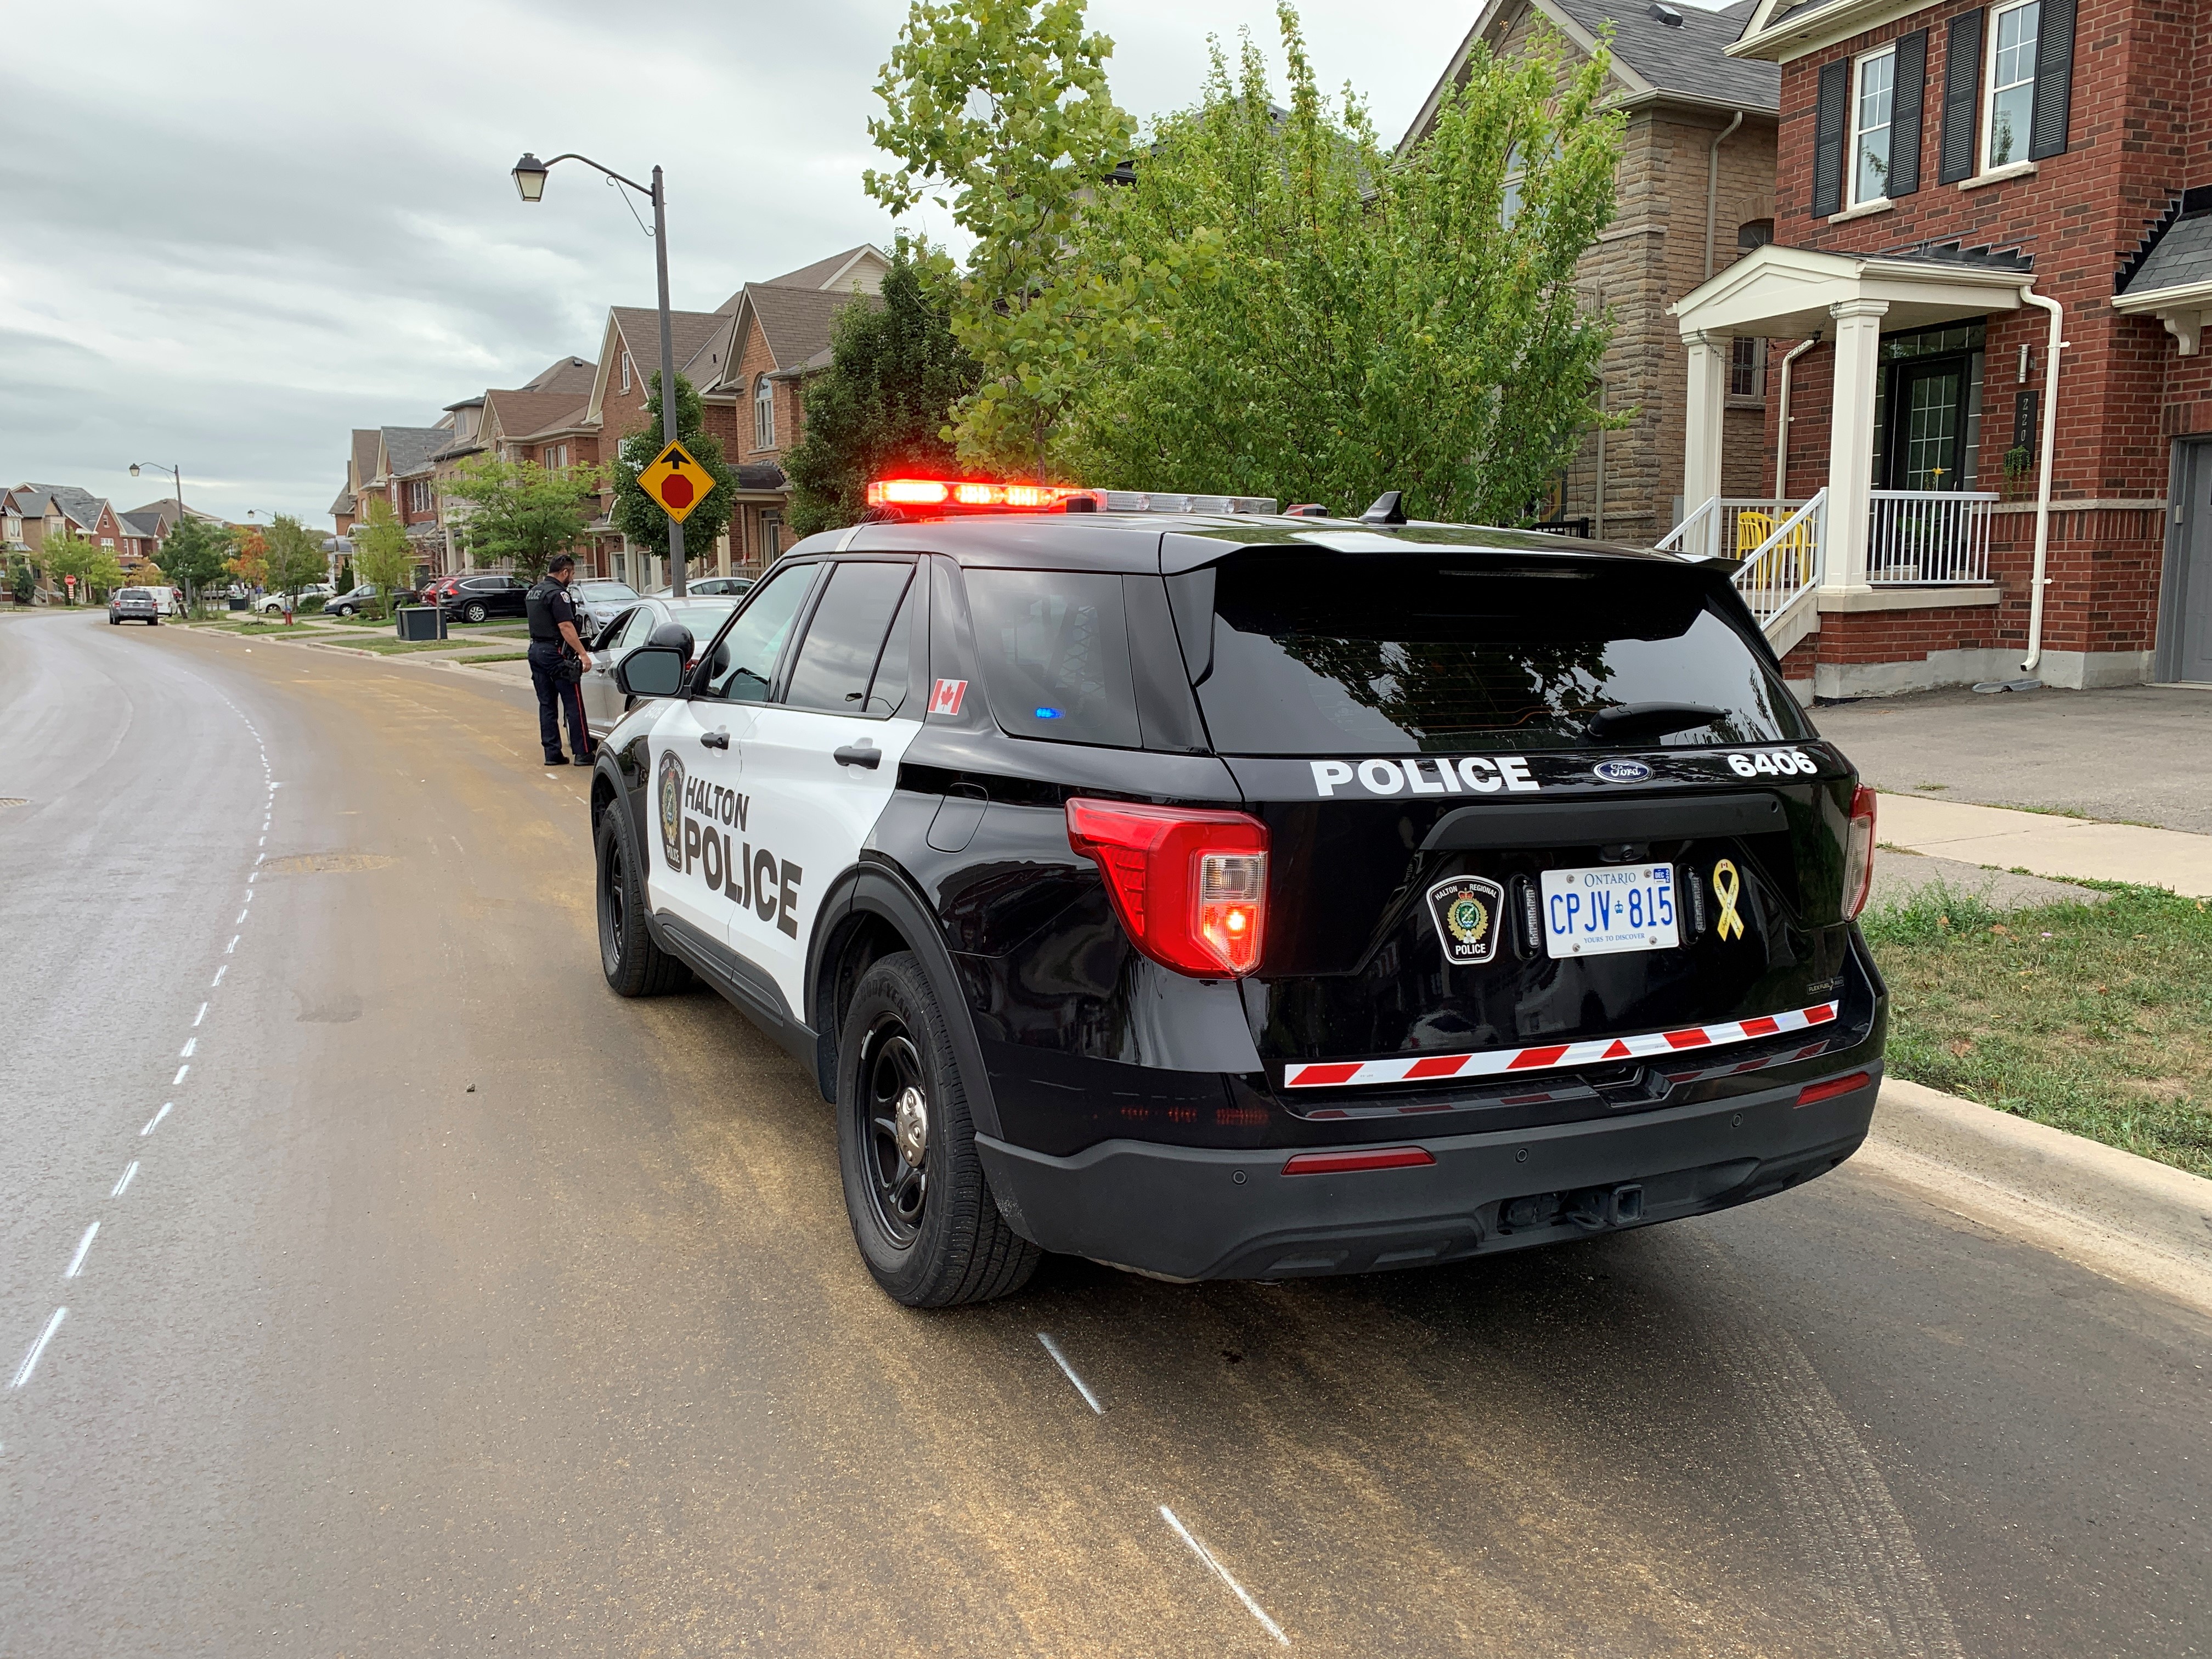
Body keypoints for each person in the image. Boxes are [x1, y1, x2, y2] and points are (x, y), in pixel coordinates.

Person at [525, 555, 595, 766]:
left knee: (547, 704)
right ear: (564, 572)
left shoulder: (534, 592)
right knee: (573, 702)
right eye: (572, 574)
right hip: (556, 653)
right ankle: (583, 753)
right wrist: (583, 654)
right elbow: (566, 627)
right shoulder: (559, 595)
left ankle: (552, 753)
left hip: (536, 650)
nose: (572, 579)